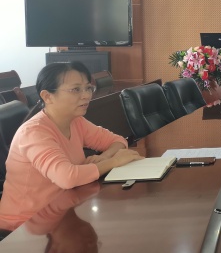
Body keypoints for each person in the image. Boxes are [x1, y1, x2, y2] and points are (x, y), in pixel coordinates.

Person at [0, 62, 143, 231]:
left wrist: (104, 157)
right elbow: (66, 178)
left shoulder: (75, 121)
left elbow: (118, 141)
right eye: (76, 89)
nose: (86, 95)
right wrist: (113, 162)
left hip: (62, 211)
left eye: (88, 88)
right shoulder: (34, 132)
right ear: (47, 96)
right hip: (25, 225)